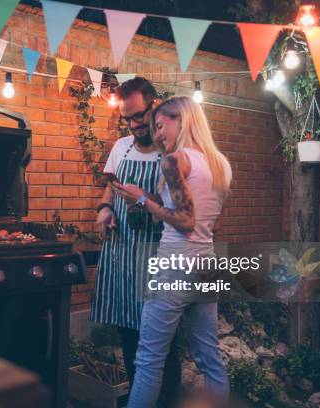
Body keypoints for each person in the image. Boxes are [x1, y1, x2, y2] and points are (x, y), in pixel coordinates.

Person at [112, 96, 232, 407]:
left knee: (149, 359)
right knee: (209, 357)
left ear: (182, 120)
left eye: (161, 125)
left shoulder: (174, 160)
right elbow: (204, 219)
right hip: (206, 263)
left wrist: (141, 201)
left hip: (175, 265)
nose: (157, 134)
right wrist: (150, 197)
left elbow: (185, 220)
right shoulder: (219, 163)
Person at [90, 77, 181, 406]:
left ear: (154, 104)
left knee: (162, 343)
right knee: (129, 335)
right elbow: (110, 187)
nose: (133, 124)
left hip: (157, 256)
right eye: (126, 118)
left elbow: (181, 208)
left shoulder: (170, 150)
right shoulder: (121, 147)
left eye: (138, 116)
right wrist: (104, 208)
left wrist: (146, 201)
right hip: (123, 255)